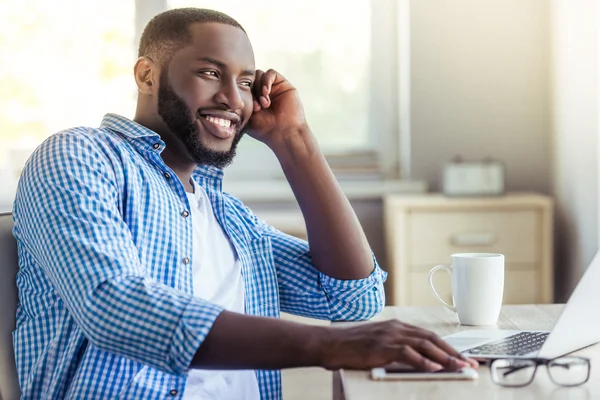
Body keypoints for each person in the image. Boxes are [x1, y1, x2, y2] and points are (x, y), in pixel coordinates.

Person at [12, 8, 477, 400]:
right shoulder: (80, 156)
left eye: (246, 81)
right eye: (211, 73)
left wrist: (295, 141)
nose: (233, 98)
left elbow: (353, 298)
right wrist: (330, 346)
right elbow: (114, 306)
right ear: (147, 75)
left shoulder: (228, 217)